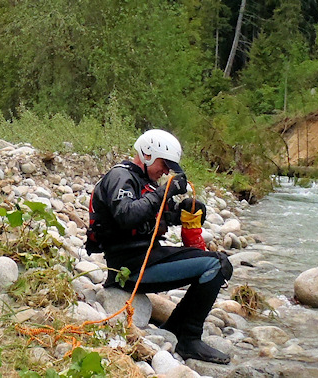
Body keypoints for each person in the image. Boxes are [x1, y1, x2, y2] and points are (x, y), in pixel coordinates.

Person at [86, 129, 233, 364]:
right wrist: (166, 191)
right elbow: (126, 215)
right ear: (147, 155)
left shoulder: (147, 183)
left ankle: (174, 328)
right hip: (129, 268)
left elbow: (157, 215)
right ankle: (189, 339)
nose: (165, 171)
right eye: (164, 164)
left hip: (149, 257)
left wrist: (185, 210)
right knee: (215, 265)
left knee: (219, 263)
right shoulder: (120, 178)